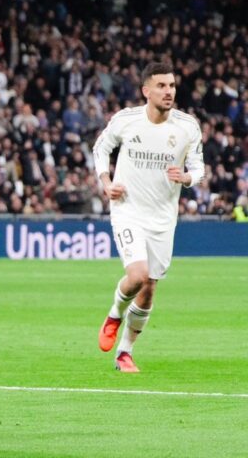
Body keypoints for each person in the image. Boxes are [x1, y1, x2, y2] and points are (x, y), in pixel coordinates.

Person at [93, 62, 204, 373]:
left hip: (163, 217)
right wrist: (106, 183)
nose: (168, 91)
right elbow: (100, 150)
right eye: (161, 86)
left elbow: (199, 168)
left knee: (150, 286)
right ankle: (115, 313)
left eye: (171, 86)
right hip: (128, 209)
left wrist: (187, 178)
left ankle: (124, 353)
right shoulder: (126, 121)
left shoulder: (187, 127)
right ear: (146, 91)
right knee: (138, 274)